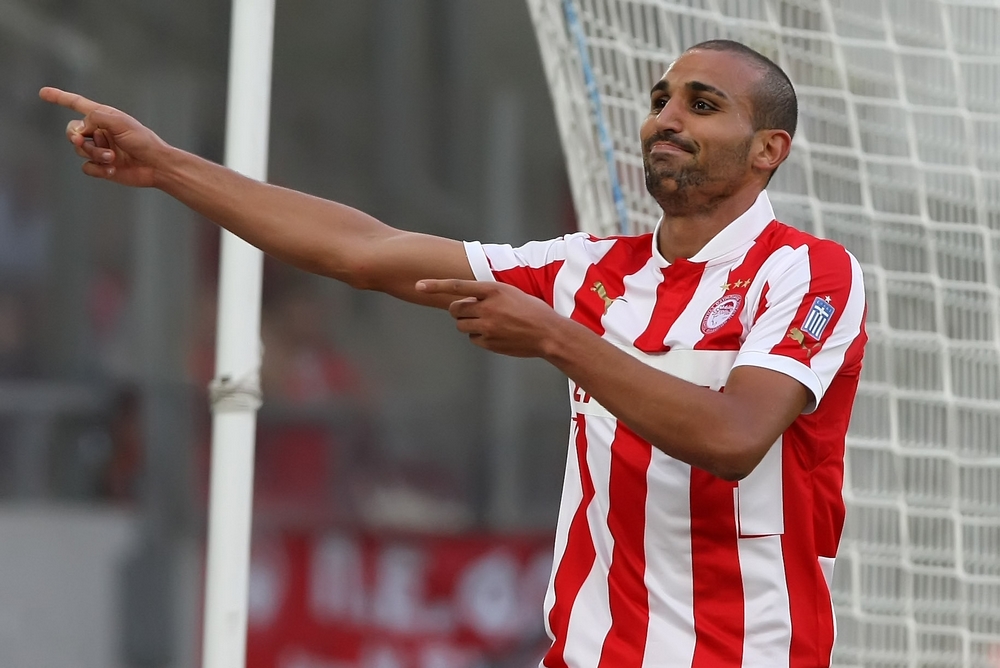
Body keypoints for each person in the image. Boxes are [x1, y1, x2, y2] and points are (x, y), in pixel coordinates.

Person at [41, 39, 866, 668]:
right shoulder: (586, 271)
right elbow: (365, 250)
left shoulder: (810, 274)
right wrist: (166, 166)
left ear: (769, 149)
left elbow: (732, 438)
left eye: (702, 104)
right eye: (661, 100)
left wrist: (554, 337)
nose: (667, 118)